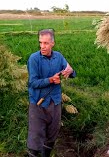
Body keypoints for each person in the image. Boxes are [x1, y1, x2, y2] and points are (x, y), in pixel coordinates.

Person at [27, 29, 76, 157]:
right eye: (40, 42)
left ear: (52, 43)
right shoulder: (34, 59)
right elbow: (32, 83)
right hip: (38, 104)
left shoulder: (58, 57)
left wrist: (70, 71)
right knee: (35, 139)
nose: (42, 46)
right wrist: (50, 80)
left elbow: (70, 71)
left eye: (46, 43)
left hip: (55, 103)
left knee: (52, 135)